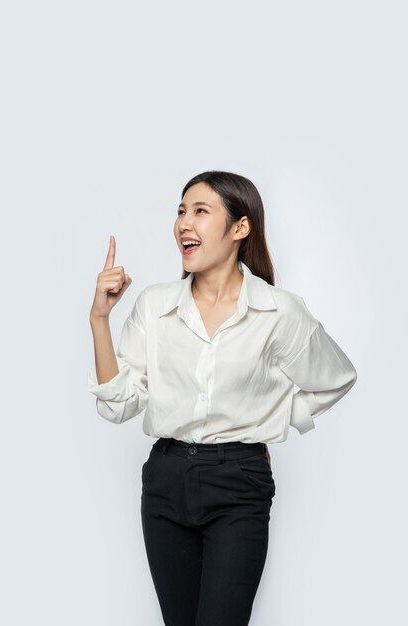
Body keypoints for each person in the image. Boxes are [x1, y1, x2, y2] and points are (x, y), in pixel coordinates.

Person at [87, 170, 357, 626]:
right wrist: (99, 319)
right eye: (180, 211)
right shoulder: (156, 306)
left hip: (240, 483)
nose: (183, 224)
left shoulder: (277, 310)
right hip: (166, 480)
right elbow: (118, 406)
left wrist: (274, 414)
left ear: (240, 227)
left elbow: (336, 378)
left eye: (200, 211)